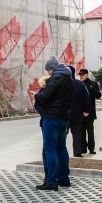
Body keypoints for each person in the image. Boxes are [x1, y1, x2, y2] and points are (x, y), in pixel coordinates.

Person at [34, 56, 73, 190]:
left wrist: (36, 96)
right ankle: (64, 178)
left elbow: (44, 97)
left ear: (52, 69)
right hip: (64, 117)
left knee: (50, 149)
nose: (48, 74)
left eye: (48, 71)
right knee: (61, 148)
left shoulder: (56, 78)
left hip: (52, 118)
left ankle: (51, 181)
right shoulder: (69, 79)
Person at [78, 68, 102, 155]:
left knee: (90, 131)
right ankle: (83, 148)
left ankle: (91, 148)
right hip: (81, 112)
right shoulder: (78, 84)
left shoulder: (93, 84)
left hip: (90, 112)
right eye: (80, 75)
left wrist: (92, 89)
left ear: (87, 75)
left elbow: (99, 95)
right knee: (82, 131)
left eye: (83, 74)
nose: (81, 76)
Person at [68, 65, 90, 157]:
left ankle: (60, 153)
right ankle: (77, 152)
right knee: (77, 133)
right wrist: (86, 110)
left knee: (61, 134)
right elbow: (86, 98)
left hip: (63, 113)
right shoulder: (80, 84)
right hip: (77, 113)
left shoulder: (61, 83)